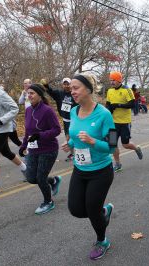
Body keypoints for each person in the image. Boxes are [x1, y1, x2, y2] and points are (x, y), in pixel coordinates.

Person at [61, 73, 115, 260]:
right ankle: (103, 212)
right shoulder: (74, 111)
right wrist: (72, 145)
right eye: (71, 88)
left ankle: (102, 241)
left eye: (76, 88)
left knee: (92, 210)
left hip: (101, 171)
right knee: (76, 209)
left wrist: (93, 141)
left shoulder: (104, 114)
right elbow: (76, 137)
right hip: (80, 169)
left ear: (89, 90)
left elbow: (113, 145)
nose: (72, 91)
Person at [19, 84, 62, 215]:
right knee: (31, 178)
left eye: (32, 93)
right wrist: (23, 145)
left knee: (40, 178)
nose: (29, 95)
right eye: (28, 93)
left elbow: (57, 129)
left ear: (39, 95)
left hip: (48, 149)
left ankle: (48, 202)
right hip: (34, 149)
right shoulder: (28, 110)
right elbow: (28, 131)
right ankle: (53, 180)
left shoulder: (47, 110)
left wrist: (40, 135)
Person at [106, 71, 143, 172]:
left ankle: (136, 148)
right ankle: (118, 164)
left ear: (119, 80)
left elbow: (132, 104)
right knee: (112, 144)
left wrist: (118, 105)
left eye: (113, 80)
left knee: (125, 144)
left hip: (124, 122)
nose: (112, 82)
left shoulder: (127, 90)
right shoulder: (109, 91)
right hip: (113, 122)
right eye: (110, 80)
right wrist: (109, 110)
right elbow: (108, 104)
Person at [42, 77, 78, 161]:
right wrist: (46, 86)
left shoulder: (74, 93)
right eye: (65, 84)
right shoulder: (59, 93)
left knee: (76, 137)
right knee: (68, 138)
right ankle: (72, 154)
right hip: (65, 119)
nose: (66, 86)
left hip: (75, 119)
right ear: (62, 85)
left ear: (71, 84)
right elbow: (51, 92)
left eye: (68, 84)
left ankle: (79, 153)